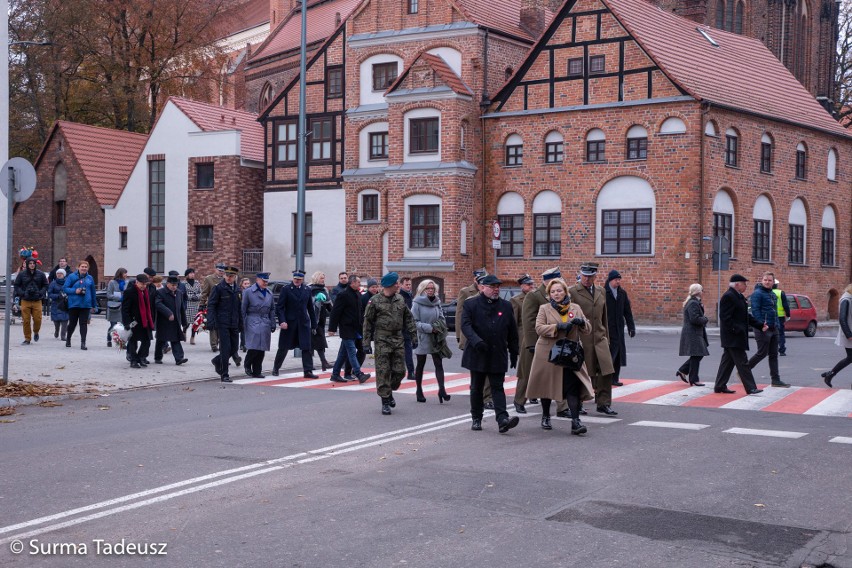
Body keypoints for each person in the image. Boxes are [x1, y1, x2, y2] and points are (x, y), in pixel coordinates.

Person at [526, 278, 596, 435]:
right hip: (548, 352)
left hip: (569, 353)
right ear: (549, 295)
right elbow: (539, 328)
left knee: (572, 387)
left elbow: (588, 329)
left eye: (559, 291)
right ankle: (545, 416)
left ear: (565, 291)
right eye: (552, 292)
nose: (556, 294)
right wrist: (557, 327)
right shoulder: (544, 308)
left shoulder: (575, 308)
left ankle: (575, 422)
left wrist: (583, 323)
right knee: (546, 386)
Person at [461, 274, 519, 433]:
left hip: (497, 352)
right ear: (482, 287)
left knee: (497, 387)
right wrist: (476, 341)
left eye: (498, 287)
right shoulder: (471, 304)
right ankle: (476, 418)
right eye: (492, 287)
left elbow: (512, 330)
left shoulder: (506, 306)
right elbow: (465, 326)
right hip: (478, 351)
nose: (496, 290)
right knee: (477, 388)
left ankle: (502, 420)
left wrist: (514, 351)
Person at [363, 272, 417, 415]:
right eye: (396, 284)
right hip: (382, 339)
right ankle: (385, 401)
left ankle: (389, 391)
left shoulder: (400, 299)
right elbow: (367, 322)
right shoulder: (375, 301)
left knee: (400, 371)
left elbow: (409, 319)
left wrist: (414, 337)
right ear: (389, 286)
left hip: (398, 339)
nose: (398, 286)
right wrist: (366, 342)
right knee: (383, 371)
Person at [568, 263, 617, 416]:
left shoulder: (601, 291)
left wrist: (606, 337)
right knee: (583, 372)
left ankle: (603, 403)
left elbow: (604, 317)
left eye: (590, 276)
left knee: (606, 370)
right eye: (584, 275)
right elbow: (568, 314)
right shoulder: (572, 292)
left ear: (596, 276)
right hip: (582, 338)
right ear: (580, 274)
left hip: (599, 337)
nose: (587, 279)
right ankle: (579, 402)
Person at [713, 274, 767, 395]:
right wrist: (736, 329)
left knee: (727, 362)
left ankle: (719, 385)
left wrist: (759, 325)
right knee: (743, 363)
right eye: (744, 284)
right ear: (737, 284)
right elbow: (725, 317)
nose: (746, 286)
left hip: (735, 336)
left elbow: (745, 316)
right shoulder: (729, 296)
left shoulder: (738, 296)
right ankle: (751, 387)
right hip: (733, 336)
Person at [272, 270, 318, 378]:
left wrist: (314, 324)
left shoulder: (307, 289)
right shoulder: (286, 289)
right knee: (283, 347)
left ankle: (308, 371)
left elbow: (310, 308)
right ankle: (276, 368)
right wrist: (282, 320)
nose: (297, 281)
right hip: (289, 323)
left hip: (303, 323)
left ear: (302, 280)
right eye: (295, 279)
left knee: (306, 347)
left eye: (299, 279)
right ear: (293, 278)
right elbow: (280, 307)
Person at [411, 279, 451, 403]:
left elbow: (441, 317)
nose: (430, 290)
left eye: (432, 289)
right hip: (423, 337)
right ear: (423, 290)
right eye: (428, 288)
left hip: (436, 337)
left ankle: (442, 390)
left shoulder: (437, 302)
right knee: (421, 364)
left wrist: (440, 327)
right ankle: (419, 390)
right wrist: (429, 328)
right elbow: (414, 322)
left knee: (438, 363)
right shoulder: (417, 303)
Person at [747, 272, 790, 387]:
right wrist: (761, 325)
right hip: (762, 328)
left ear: (773, 282)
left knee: (773, 354)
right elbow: (755, 310)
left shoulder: (772, 294)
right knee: (762, 353)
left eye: (769, 280)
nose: (767, 282)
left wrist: (777, 324)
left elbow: (774, 311)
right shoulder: (757, 294)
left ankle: (775, 380)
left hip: (774, 327)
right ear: (762, 281)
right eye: (765, 280)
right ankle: (744, 370)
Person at [328, 275, 371, 384]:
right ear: (352, 283)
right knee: (352, 351)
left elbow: (359, 312)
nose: (359, 284)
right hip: (346, 328)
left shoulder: (357, 294)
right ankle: (359, 373)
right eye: (357, 282)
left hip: (355, 328)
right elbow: (335, 312)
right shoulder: (343, 295)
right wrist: (332, 328)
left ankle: (335, 374)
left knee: (343, 353)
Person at [208, 266, 242, 382]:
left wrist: (241, 323)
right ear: (224, 275)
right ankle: (225, 374)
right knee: (225, 348)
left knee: (234, 348)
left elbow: (239, 308)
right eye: (227, 275)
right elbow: (211, 305)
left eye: (231, 276)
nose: (228, 278)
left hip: (234, 322)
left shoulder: (237, 289)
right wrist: (211, 320)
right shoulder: (218, 288)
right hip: (222, 322)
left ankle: (217, 361)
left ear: (235, 277)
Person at [604, 269, 635, 387]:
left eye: (619, 280)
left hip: (619, 328)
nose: (618, 282)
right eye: (616, 280)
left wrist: (631, 327)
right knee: (609, 355)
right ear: (610, 280)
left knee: (618, 355)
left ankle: (615, 378)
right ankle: (606, 379)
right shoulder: (603, 293)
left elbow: (627, 311)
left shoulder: (622, 293)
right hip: (607, 329)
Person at [242, 273, 276, 378]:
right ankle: (247, 364)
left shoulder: (269, 293)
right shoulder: (248, 292)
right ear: (257, 280)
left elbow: (272, 309)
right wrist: (242, 323)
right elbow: (243, 308)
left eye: (267, 281)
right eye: (263, 281)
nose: (265, 283)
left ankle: (257, 370)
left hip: (265, 321)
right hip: (253, 319)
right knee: (254, 346)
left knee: (262, 348)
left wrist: (273, 322)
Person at [511, 274, 537, 413]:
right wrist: (513, 344)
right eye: (528, 285)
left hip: (539, 337)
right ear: (522, 286)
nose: (531, 287)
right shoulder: (516, 300)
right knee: (525, 372)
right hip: (524, 340)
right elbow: (514, 324)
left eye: (532, 284)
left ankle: (533, 394)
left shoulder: (538, 297)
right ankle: (519, 400)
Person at [676, 284, 709, 386]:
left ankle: (683, 371)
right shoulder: (693, 303)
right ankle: (693, 379)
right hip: (693, 333)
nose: (703, 292)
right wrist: (705, 319)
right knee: (697, 354)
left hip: (694, 332)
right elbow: (694, 319)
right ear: (698, 292)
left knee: (697, 354)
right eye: (702, 290)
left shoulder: (694, 302)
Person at [122, 273, 155, 369]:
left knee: (147, 341)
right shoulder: (129, 292)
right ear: (136, 282)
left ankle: (141, 357)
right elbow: (125, 309)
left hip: (146, 320)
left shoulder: (146, 291)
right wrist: (127, 323)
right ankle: (133, 360)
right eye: (141, 284)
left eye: (145, 284)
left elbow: (149, 306)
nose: (143, 286)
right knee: (133, 341)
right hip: (134, 321)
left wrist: (151, 318)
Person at [822, 283, 852, 388]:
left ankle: (830, 374)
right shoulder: (846, 300)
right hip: (849, 334)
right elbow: (842, 319)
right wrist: (849, 334)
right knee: (850, 357)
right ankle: (830, 374)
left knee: (850, 358)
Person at [154, 275, 189, 365]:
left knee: (175, 339)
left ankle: (179, 358)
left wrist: (184, 322)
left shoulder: (179, 293)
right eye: (172, 285)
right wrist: (168, 313)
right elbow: (158, 304)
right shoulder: (160, 292)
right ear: (167, 284)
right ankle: (158, 357)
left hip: (175, 321)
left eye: (176, 285)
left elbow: (181, 309)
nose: (174, 287)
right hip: (163, 321)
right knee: (161, 339)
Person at [13, 257, 48, 344]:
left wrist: (41, 293)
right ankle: (27, 338)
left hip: (37, 300)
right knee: (26, 320)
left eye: (33, 263)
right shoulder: (22, 274)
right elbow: (16, 286)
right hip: (25, 300)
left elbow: (46, 285)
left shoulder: (41, 274)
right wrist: (22, 293)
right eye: (30, 263)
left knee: (38, 319)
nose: (32, 265)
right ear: (27, 264)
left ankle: (36, 331)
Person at [63, 260, 96, 350]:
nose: (84, 268)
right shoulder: (71, 276)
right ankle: (68, 338)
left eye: (86, 267)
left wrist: (94, 305)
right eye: (82, 266)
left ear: (87, 268)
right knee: (72, 324)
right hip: (74, 304)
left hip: (86, 304)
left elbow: (93, 292)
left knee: (83, 324)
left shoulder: (90, 278)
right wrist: (75, 291)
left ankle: (83, 343)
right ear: (78, 267)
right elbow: (65, 288)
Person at [309, 271, 332, 371]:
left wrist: (335, 314)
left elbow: (329, 304)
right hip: (312, 319)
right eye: (322, 278)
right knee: (318, 341)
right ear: (317, 278)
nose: (323, 280)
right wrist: (316, 301)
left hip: (321, 319)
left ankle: (320, 363)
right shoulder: (309, 289)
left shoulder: (324, 290)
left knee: (316, 341)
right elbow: (308, 303)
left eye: (324, 278)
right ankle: (322, 362)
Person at [200, 263, 225, 352]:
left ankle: (220, 342)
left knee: (222, 325)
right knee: (213, 325)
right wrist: (202, 304)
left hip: (224, 306)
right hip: (213, 305)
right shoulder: (209, 279)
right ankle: (214, 345)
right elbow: (204, 292)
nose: (221, 272)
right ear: (215, 270)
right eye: (220, 270)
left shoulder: (226, 279)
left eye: (223, 271)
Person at [399, 276, 416, 381]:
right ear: (401, 285)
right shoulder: (400, 297)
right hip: (401, 328)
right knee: (400, 352)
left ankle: (411, 371)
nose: (409, 286)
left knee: (408, 351)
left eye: (410, 284)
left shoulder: (411, 296)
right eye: (406, 284)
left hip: (409, 328)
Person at [106, 268, 128, 347]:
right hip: (114, 306)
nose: (126, 275)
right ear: (120, 273)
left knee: (123, 326)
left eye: (126, 273)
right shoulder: (112, 282)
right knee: (113, 325)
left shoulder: (126, 283)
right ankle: (109, 339)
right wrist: (120, 298)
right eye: (124, 273)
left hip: (123, 307)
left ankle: (121, 342)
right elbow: (109, 295)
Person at [47, 268, 69, 341]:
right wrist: (57, 296)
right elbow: (49, 294)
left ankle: (63, 336)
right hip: (56, 304)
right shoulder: (53, 283)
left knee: (65, 320)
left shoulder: (67, 282)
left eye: (61, 273)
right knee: (56, 321)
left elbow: (70, 290)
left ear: (64, 275)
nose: (59, 275)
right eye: (58, 273)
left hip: (65, 304)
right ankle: (56, 331)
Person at [183, 268, 202, 345]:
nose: (192, 274)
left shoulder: (197, 283)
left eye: (193, 273)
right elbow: (183, 293)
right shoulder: (184, 284)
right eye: (190, 273)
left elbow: (201, 292)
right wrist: (190, 297)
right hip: (188, 304)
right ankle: (184, 332)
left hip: (196, 305)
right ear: (187, 275)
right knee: (187, 323)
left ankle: (192, 337)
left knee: (195, 323)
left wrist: (197, 296)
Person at [773, 280, 791, 356]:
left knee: (771, 333)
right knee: (781, 333)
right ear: (777, 285)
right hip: (780, 316)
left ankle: (772, 349)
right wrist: (788, 314)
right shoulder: (781, 293)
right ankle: (782, 350)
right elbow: (785, 305)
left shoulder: (766, 292)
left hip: (770, 316)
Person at [239, 277, 251, 352]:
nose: (247, 285)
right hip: (241, 312)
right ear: (242, 284)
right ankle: (243, 344)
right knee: (243, 329)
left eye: (248, 283)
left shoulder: (251, 291)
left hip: (249, 312)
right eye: (245, 284)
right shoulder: (240, 292)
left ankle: (246, 343)